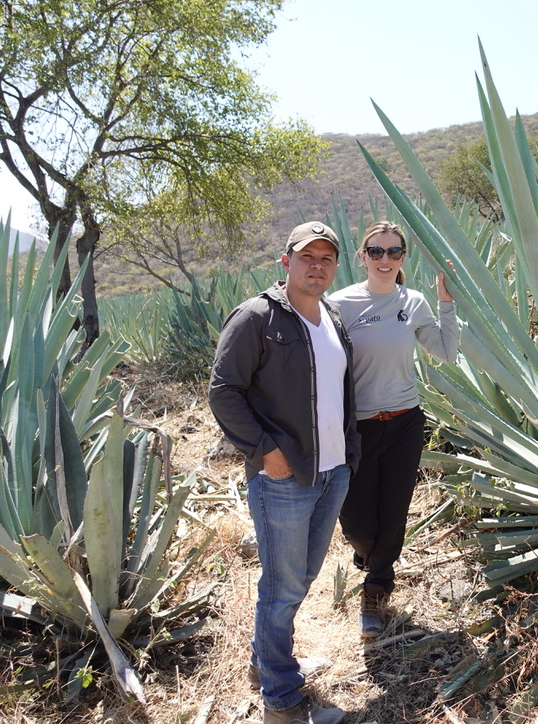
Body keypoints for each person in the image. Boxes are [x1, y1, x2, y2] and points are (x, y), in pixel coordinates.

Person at [209, 221, 359, 724]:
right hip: (283, 478)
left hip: (333, 471)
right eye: (307, 256)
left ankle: (266, 665)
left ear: (334, 267)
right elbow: (223, 390)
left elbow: (344, 394)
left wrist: (350, 455)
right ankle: (281, 702)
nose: (317, 265)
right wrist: (265, 453)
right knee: (282, 585)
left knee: (298, 578)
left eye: (326, 258)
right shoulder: (257, 317)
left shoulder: (332, 317)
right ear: (285, 261)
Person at [329, 220, 459, 638]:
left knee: (394, 512)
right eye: (377, 251)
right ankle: (370, 555)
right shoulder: (340, 304)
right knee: (357, 522)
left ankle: (375, 591)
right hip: (358, 428)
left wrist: (446, 303)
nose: (385, 259)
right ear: (362, 256)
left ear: (404, 258)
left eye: (394, 252)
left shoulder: (414, 301)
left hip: (405, 421)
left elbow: (446, 352)